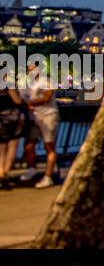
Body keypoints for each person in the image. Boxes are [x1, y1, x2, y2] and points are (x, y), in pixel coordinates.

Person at [20, 57, 60, 187]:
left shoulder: (48, 81)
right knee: (28, 145)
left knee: (49, 146)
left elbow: (46, 97)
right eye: (28, 69)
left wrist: (28, 103)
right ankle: (32, 168)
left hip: (48, 116)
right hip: (34, 117)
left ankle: (48, 176)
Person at [0, 73, 26, 189]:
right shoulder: (8, 84)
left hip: (1, 118)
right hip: (12, 116)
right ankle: (5, 174)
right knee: (12, 146)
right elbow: (17, 101)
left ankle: (0, 171)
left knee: (2, 147)